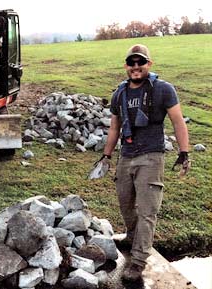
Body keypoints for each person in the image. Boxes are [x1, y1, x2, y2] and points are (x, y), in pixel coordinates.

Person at [98, 44, 189, 281]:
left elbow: (178, 121)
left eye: (141, 62)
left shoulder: (163, 89)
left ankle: (138, 261)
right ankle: (131, 236)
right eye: (132, 63)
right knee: (126, 203)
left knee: (148, 211)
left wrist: (184, 151)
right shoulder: (119, 93)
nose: (136, 67)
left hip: (151, 156)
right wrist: (107, 155)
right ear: (126, 65)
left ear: (149, 64)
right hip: (126, 156)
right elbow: (115, 127)